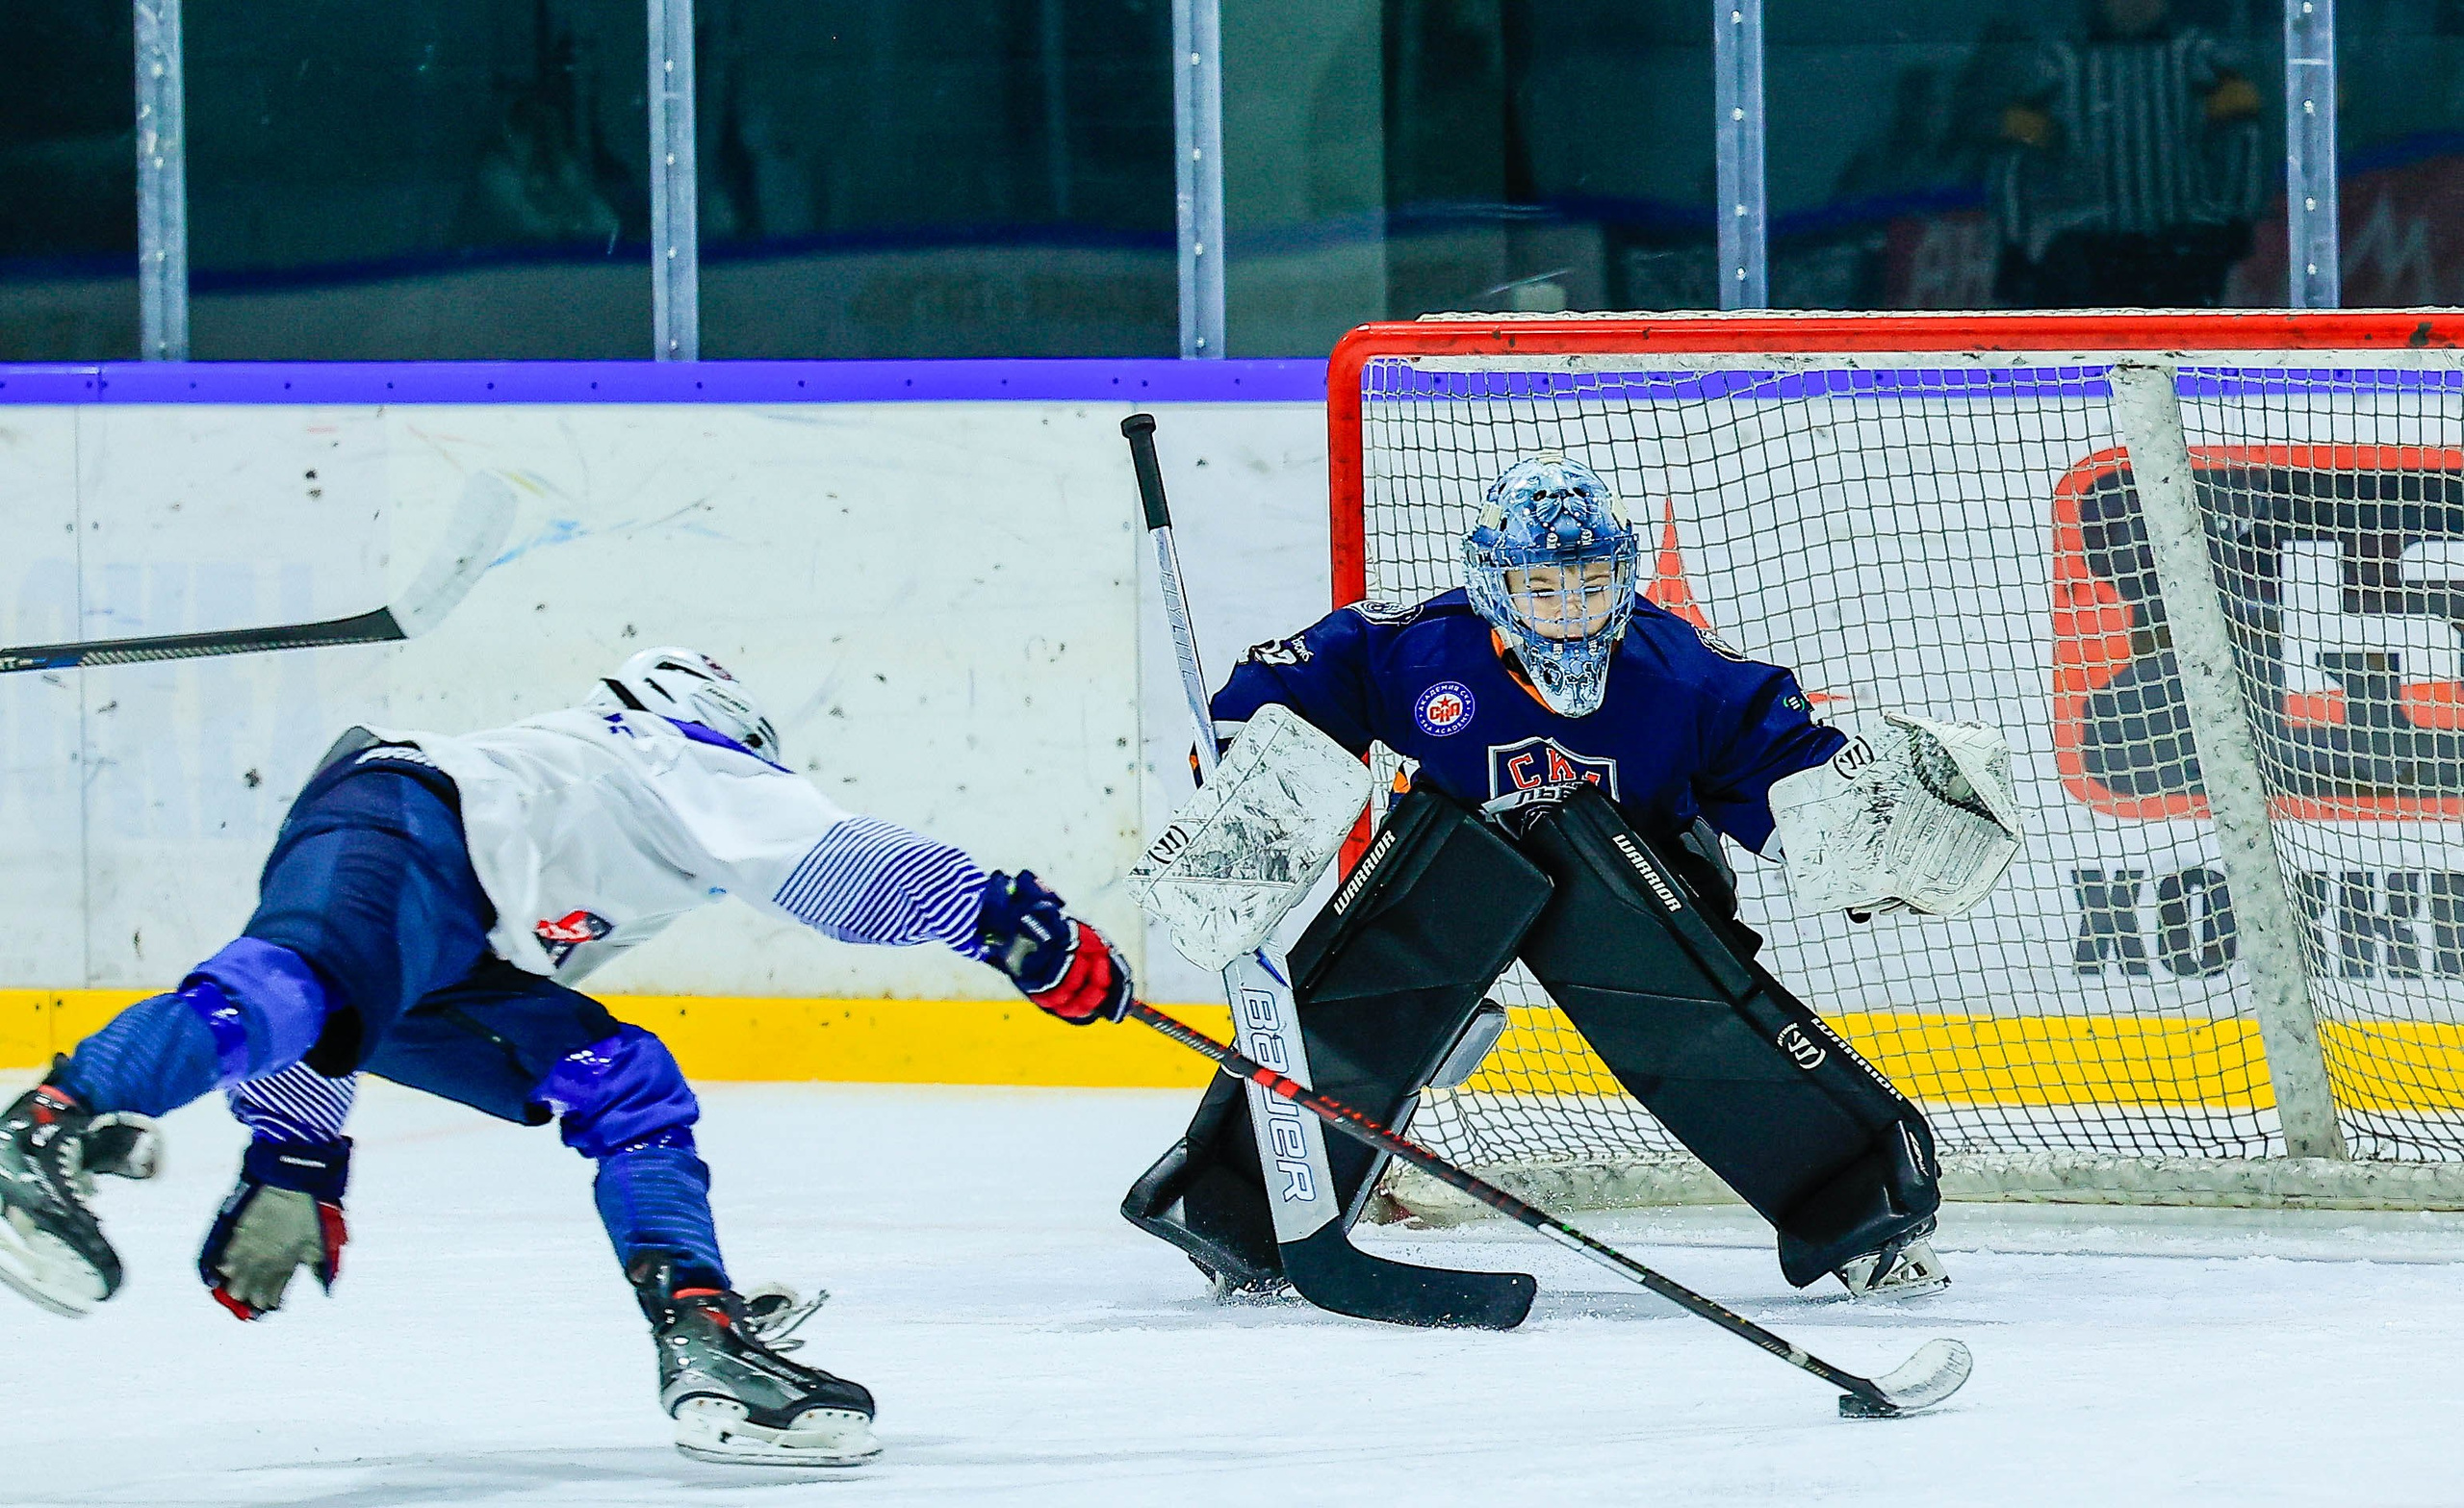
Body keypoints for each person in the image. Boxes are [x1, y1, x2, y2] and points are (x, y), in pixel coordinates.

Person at [0, 648, 1131, 1469]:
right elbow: (831, 863)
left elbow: (350, 985)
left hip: (443, 934)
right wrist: (1012, 925)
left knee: (623, 1081)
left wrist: (295, 1154)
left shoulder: (582, 806)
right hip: (409, 830)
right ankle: (42, 1127)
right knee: (302, 978)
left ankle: (701, 1334)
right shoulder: (670, 751)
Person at [1126, 455, 1974, 1311]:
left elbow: (1785, 767)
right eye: (1545, 588)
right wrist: (1238, 770)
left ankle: (1867, 1217)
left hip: (1643, 877)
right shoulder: (1420, 647)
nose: (1571, 612)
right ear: (1496, 583)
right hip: (1459, 865)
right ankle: (1238, 1212)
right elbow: (1280, 695)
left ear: (1625, 574)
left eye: (1592, 584)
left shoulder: (1681, 673)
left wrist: (1863, 826)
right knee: (1371, 986)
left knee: (1697, 1024)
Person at [1989, 0, 2263, 308]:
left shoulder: (2200, 58)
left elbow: (2242, 141)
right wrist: (2016, 243)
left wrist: (2235, 218)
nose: (2134, 5)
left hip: (2182, 247)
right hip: (2090, 253)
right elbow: (2016, 162)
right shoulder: (2060, 63)